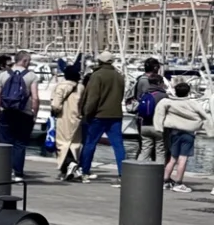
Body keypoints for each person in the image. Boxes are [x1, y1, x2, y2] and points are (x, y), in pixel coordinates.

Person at [78, 50, 126, 183]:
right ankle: (123, 174)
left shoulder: (97, 75)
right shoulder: (119, 76)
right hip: (115, 114)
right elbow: (121, 95)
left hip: (98, 115)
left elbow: (93, 98)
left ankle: (84, 170)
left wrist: (86, 113)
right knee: (118, 146)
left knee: (90, 143)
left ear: (100, 61)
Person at [0, 51, 40, 180]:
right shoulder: (31, 76)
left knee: (5, 144)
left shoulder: (3, 75)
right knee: (20, 144)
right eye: (28, 60)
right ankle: (18, 174)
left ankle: (4, 173)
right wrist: (34, 114)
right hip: (24, 114)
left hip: (6, 113)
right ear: (25, 61)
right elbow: (35, 98)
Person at [156, 81, 205, 192]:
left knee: (172, 159)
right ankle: (178, 183)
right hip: (188, 133)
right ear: (188, 92)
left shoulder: (171, 102)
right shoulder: (192, 104)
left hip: (174, 133)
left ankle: (165, 181)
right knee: (183, 159)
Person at [49, 61, 84, 181]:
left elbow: (56, 104)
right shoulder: (80, 87)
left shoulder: (61, 86)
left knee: (62, 144)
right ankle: (72, 169)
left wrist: (55, 110)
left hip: (63, 118)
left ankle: (70, 164)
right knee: (75, 144)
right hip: (77, 118)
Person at [133, 70, 168, 162]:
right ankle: (159, 170)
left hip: (144, 126)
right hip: (157, 127)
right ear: (159, 83)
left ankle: (139, 168)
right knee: (160, 150)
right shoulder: (163, 95)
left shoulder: (144, 94)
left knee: (145, 149)